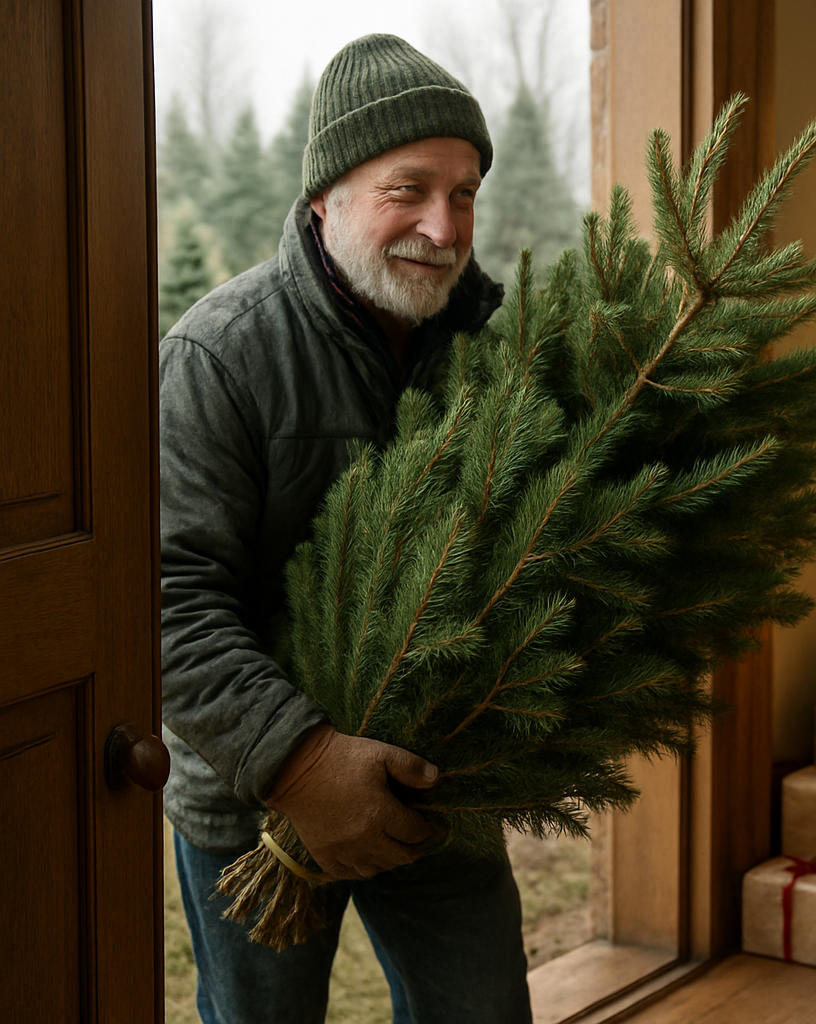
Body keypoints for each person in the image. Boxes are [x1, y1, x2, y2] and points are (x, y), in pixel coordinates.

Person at [159, 34, 532, 1024]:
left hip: (433, 784)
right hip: (258, 805)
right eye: (408, 188)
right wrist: (303, 764)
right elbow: (163, 601)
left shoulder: (482, 357)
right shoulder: (216, 358)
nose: (443, 226)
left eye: (464, 195)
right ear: (325, 197)